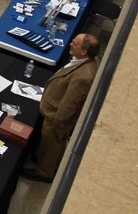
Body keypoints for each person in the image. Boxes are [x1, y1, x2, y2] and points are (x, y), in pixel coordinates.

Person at [23, 33, 100, 182]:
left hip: (56, 118)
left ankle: (44, 172)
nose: (70, 43)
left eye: (75, 43)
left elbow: (69, 104)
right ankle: (51, 164)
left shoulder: (83, 77)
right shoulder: (88, 62)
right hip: (58, 116)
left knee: (52, 142)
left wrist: (57, 122)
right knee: (54, 144)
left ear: (84, 52)